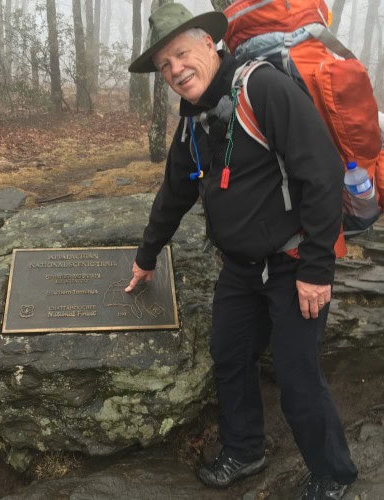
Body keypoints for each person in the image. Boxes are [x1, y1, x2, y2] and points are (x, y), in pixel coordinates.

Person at [126, 3, 358, 500]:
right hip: (239, 268)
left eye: (181, 55)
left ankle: (332, 474)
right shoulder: (195, 119)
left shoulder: (264, 88)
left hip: (295, 262)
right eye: (164, 66)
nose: (175, 71)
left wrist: (317, 268)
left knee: (298, 377)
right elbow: (174, 193)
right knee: (229, 356)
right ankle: (245, 449)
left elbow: (321, 174)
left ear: (208, 44)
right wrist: (146, 258)